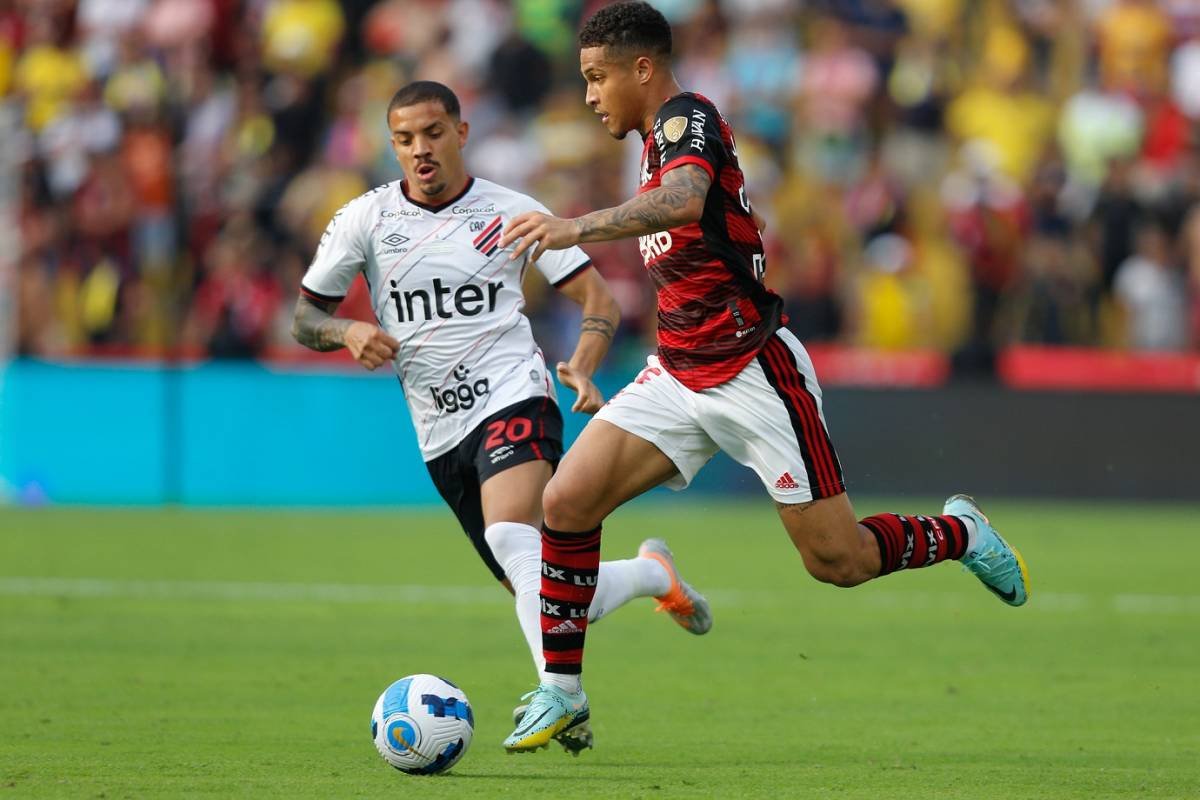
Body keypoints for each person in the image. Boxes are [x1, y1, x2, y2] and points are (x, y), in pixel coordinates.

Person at [499, 2, 1031, 753]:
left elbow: (685, 201)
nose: (589, 96)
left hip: (754, 372)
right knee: (566, 499)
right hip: (680, 373)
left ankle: (960, 531)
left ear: (642, 68)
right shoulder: (649, 141)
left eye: (597, 78)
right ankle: (561, 692)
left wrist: (577, 225)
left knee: (837, 562)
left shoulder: (689, 118)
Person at [291, 80, 712, 755]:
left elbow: (598, 298)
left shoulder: (512, 212)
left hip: (515, 395)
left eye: (433, 133)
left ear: (461, 133)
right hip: (438, 430)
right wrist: (345, 334)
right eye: (404, 139)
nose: (420, 150)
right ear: (391, 145)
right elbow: (305, 315)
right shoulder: (364, 220)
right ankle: (650, 575)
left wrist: (581, 361)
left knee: (514, 537)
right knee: (550, 588)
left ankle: (562, 703)